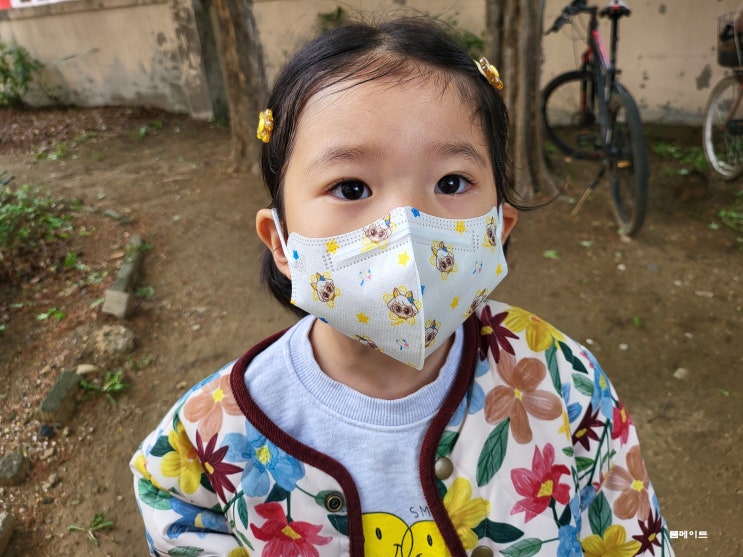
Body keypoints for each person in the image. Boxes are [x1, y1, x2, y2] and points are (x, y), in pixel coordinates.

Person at [131, 16, 674, 557]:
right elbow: (171, 509)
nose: (405, 226)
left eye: (451, 182)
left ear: (498, 229)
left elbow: (629, 532)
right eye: (351, 187)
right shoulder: (215, 430)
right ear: (282, 243)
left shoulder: (561, 378)